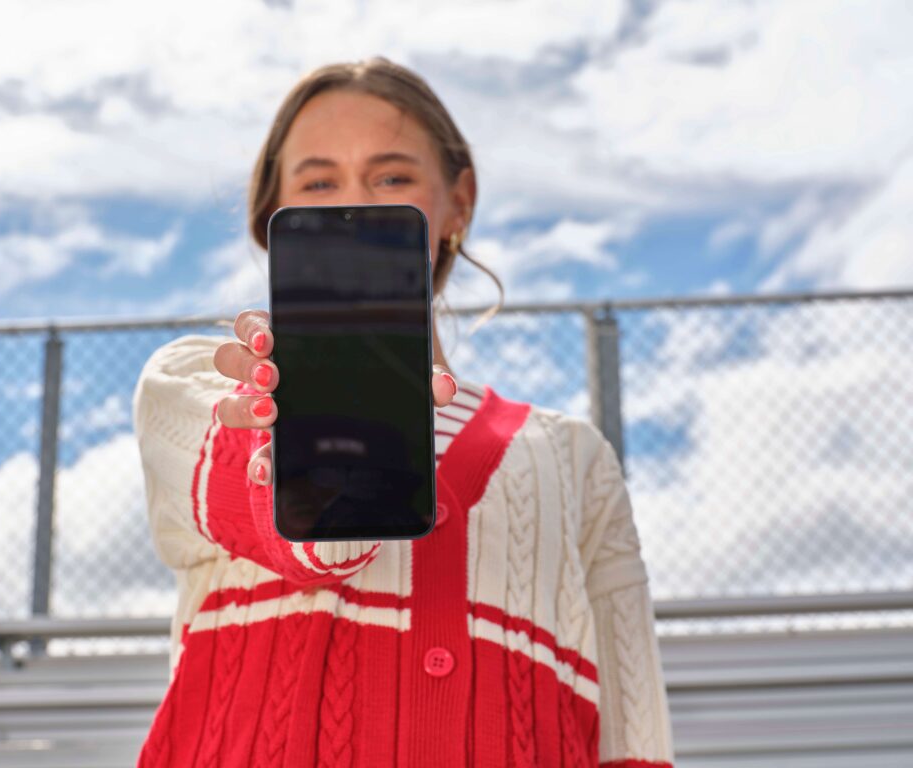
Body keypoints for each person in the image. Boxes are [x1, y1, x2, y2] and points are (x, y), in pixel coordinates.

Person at [132, 56, 675, 768]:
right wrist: (321, 412)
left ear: (459, 201)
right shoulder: (202, 386)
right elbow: (315, 540)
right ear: (273, 218)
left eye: (392, 178)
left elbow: (633, 738)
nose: (354, 203)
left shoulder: (574, 458)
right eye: (318, 182)